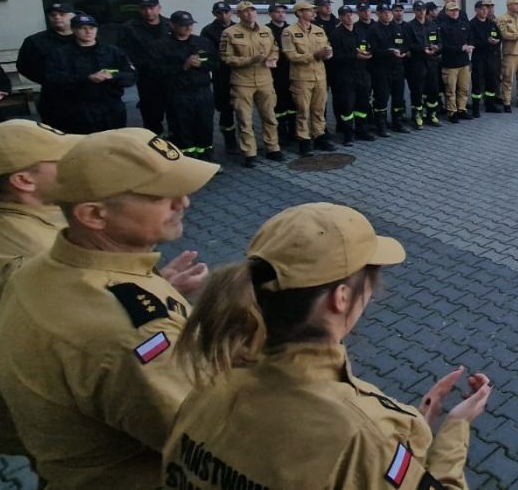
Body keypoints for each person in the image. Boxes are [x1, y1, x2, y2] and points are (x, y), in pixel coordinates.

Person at [162, 203, 491, 489]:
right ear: (341, 298)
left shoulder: (211, 378)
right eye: (369, 283)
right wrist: (454, 429)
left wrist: (406, 428)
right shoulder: (362, 434)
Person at [0, 128, 216, 488]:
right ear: (93, 214)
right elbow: (207, 441)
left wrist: (159, 289)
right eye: (161, 195)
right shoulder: (132, 333)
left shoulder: (39, 269)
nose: (183, 202)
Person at [0, 120, 78, 457]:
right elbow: (83, 341)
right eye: (63, 160)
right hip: (61, 426)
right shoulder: (40, 254)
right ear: (24, 180)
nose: (77, 164)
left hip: (9, 406)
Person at [43, 13, 137, 134]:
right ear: (73, 30)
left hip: (110, 107)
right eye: (83, 28)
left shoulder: (112, 52)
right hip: (77, 108)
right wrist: (86, 78)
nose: (88, 31)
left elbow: (131, 76)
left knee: (114, 144)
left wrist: (112, 76)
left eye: (92, 28)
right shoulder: (60, 54)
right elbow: (53, 79)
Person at [220, 1, 284, 167]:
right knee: (244, 119)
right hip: (243, 81)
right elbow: (226, 58)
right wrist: (250, 60)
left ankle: (273, 148)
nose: (249, 14)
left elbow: (275, 49)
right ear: (238, 15)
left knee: (269, 116)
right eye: (245, 12)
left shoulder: (266, 30)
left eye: (252, 11)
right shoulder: (230, 33)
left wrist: (273, 58)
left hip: (265, 79)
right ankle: (249, 153)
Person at [159, 11, 219, 160]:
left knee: (205, 126)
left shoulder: (202, 42)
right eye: (183, 25)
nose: (188, 28)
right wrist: (183, 67)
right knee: (181, 128)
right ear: (172, 25)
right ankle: (186, 161)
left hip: (202, 92)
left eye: (190, 24)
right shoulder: (161, 45)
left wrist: (201, 65)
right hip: (178, 93)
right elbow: (157, 71)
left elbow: (215, 64)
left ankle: (206, 159)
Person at [282, 1, 335, 156]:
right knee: (303, 110)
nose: (313, 12)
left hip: (320, 76)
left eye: (313, 10)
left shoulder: (319, 30)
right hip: (301, 77)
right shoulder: (289, 32)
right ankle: (304, 140)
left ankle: (319, 136)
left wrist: (328, 53)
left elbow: (328, 48)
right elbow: (290, 55)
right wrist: (314, 55)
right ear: (299, 13)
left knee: (319, 109)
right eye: (309, 10)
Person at [16, 3, 76, 130]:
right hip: (54, 96)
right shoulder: (35, 41)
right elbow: (24, 66)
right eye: (53, 15)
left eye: (62, 14)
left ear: (73, 16)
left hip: (85, 96)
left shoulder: (84, 37)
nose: (57, 17)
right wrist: (47, 79)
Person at [117, 0, 169, 135]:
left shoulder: (170, 24)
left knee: (175, 111)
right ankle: (155, 140)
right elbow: (124, 52)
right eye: (144, 8)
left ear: (159, 8)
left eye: (151, 8)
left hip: (171, 75)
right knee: (151, 113)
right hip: (147, 76)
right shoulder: (129, 28)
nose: (148, 12)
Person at [329, 6, 376, 145]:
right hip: (345, 75)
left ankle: (362, 130)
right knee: (347, 106)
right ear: (340, 17)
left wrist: (368, 52)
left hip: (362, 73)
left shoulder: (360, 31)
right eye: (345, 15)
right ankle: (348, 134)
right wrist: (355, 56)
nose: (349, 17)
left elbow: (367, 46)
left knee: (363, 104)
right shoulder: (336, 34)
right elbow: (335, 56)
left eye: (350, 14)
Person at [202, 2, 239, 155]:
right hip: (222, 75)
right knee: (226, 110)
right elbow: (209, 54)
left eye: (226, 12)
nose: (223, 15)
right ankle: (230, 143)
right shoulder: (209, 31)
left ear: (231, 13)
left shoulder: (238, 28)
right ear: (214, 14)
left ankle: (246, 142)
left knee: (244, 110)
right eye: (219, 13)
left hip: (240, 73)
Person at [368, 4, 410, 136]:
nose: (387, 15)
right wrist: (389, 52)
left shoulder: (397, 28)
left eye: (388, 12)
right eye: (383, 12)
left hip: (397, 68)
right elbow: (373, 50)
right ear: (378, 14)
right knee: (381, 98)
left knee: (398, 98)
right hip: (381, 69)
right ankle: (381, 125)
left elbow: (405, 44)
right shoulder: (373, 29)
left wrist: (402, 51)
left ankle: (397, 123)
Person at [266, 4, 298, 144]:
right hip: (275, 72)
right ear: (271, 14)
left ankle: (294, 131)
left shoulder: (291, 29)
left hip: (292, 69)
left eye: (283, 12)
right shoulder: (267, 30)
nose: (281, 14)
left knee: (293, 103)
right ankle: (281, 134)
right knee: (278, 104)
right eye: (277, 12)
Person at [438, 0, 475, 121]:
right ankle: (452, 112)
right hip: (450, 64)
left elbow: (470, 38)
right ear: (446, 12)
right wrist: (461, 48)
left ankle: (462, 109)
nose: (454, 13)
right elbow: (443, 46)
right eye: (452, 10)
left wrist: (470, 45)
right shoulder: (443, 27)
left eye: (456, 10)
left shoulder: (464, 24)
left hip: (464, 62)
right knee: (450, 90)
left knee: (464, 89)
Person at [471, 1, 505, 112]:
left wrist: (496, 41)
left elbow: (499, 36)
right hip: (479, 57)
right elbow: (471, 41)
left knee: (492, 81)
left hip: (491, 57)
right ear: (476, 10)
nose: (485, 11)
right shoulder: (472, 24)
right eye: (482, 9)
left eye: (486, 9)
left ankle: (489, 104)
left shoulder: (491, 23)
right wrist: (486, 42)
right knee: (477, 82)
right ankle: (475, 107)